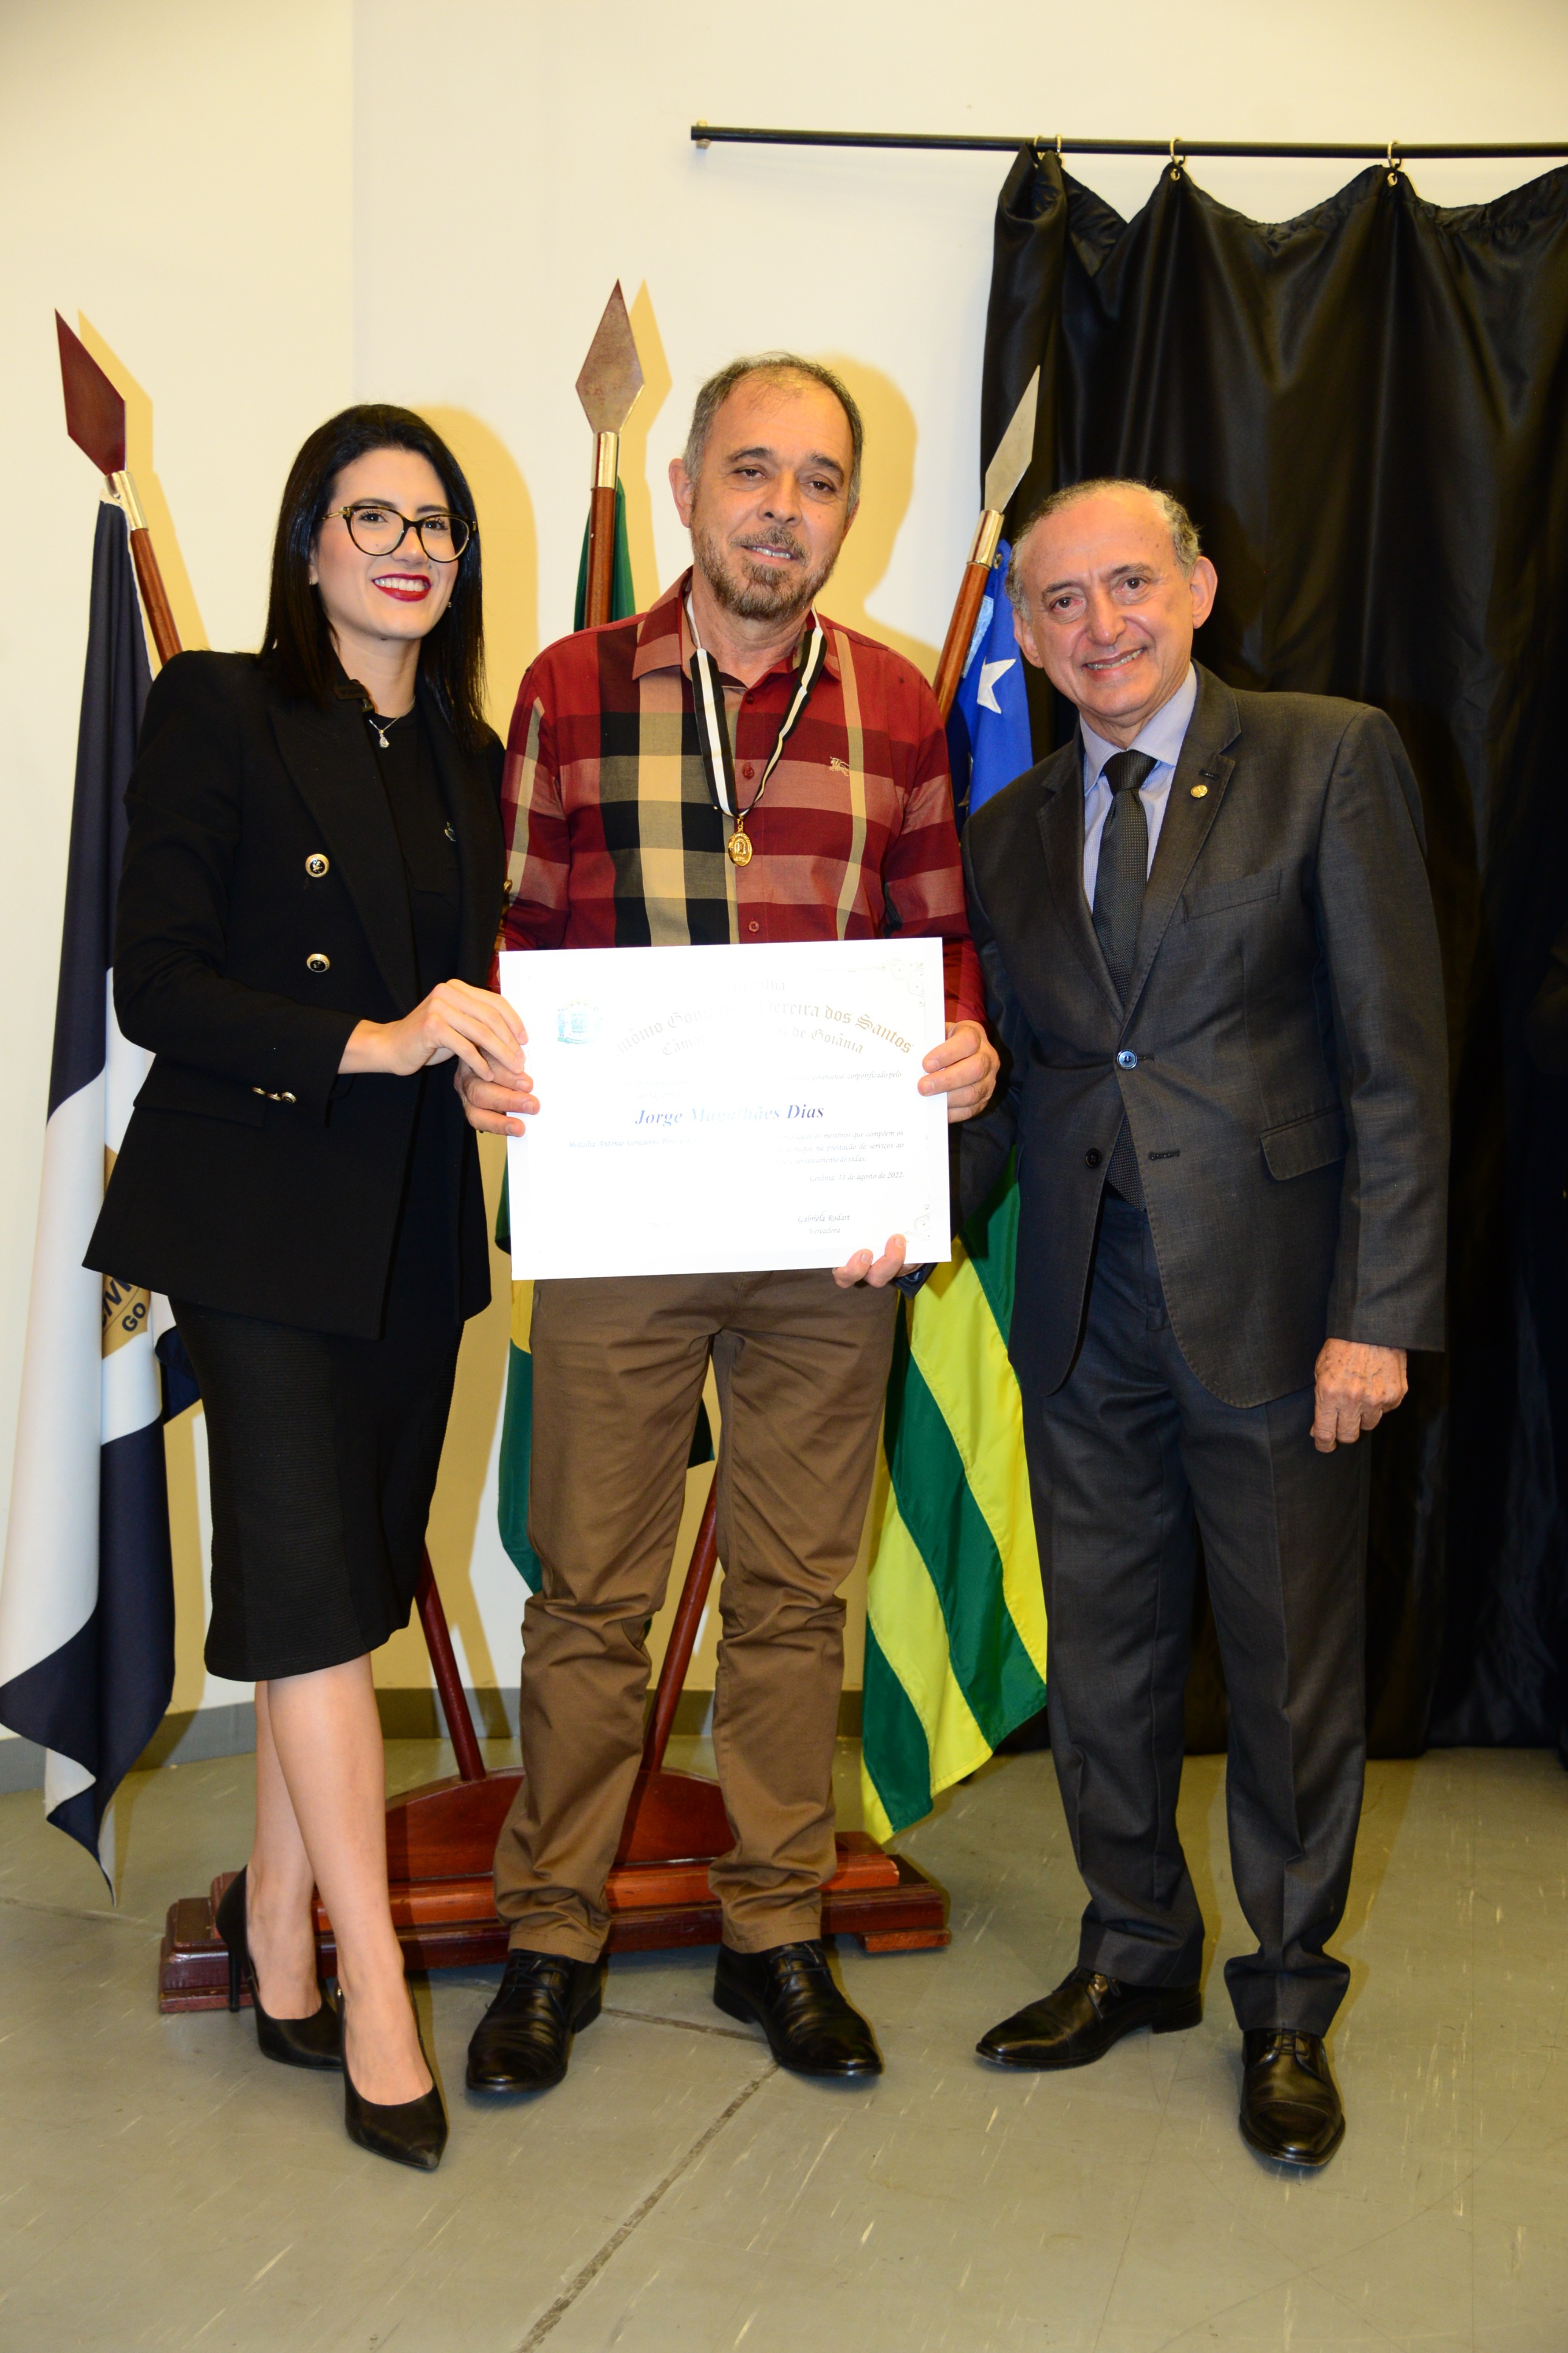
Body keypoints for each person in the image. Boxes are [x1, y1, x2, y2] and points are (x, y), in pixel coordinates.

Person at [457, 354, 998, 2090]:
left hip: (826, 1238)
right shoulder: (571, 686)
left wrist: (964, 1051)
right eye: (753, 470)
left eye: (820, 481)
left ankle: (776, 1930)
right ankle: (553, 1933)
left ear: (851, 513)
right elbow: (518, 939)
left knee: (791, 1596)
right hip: (623, 1221)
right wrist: (497, 1063)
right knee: (590, 1596)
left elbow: (943, 943)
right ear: (686, 489)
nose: (784, 508)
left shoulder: (899, 705)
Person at [960, 479, 1448, 2167]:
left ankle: (1289, 2002)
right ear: (1029, 637)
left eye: (1129, 585)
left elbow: (1397, 1066)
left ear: (1198, 587)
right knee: (1103, 1662)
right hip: (1081, 1315)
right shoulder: (1010, 828)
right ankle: (1136, 1952)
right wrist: (898, 1200)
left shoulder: (1329, 758)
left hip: (1281, 1313)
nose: (1100, 624)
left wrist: (1376, 1317)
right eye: (1062, 601)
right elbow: (1033, 1080)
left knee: (1293, 1673)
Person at [87, 405, 522, 2172]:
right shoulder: (220, 708)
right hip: (259, 1219)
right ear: (310, 543)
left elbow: (467, 991)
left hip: (412, 1224)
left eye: (435, 524)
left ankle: (277, 1939)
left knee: (329, 1590)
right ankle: (375, 1998)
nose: (410, 548)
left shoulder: (475, 752)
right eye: (374, 518)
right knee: (324, 1610)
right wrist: (376, 1038)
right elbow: (157, 983)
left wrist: (478, 1064)